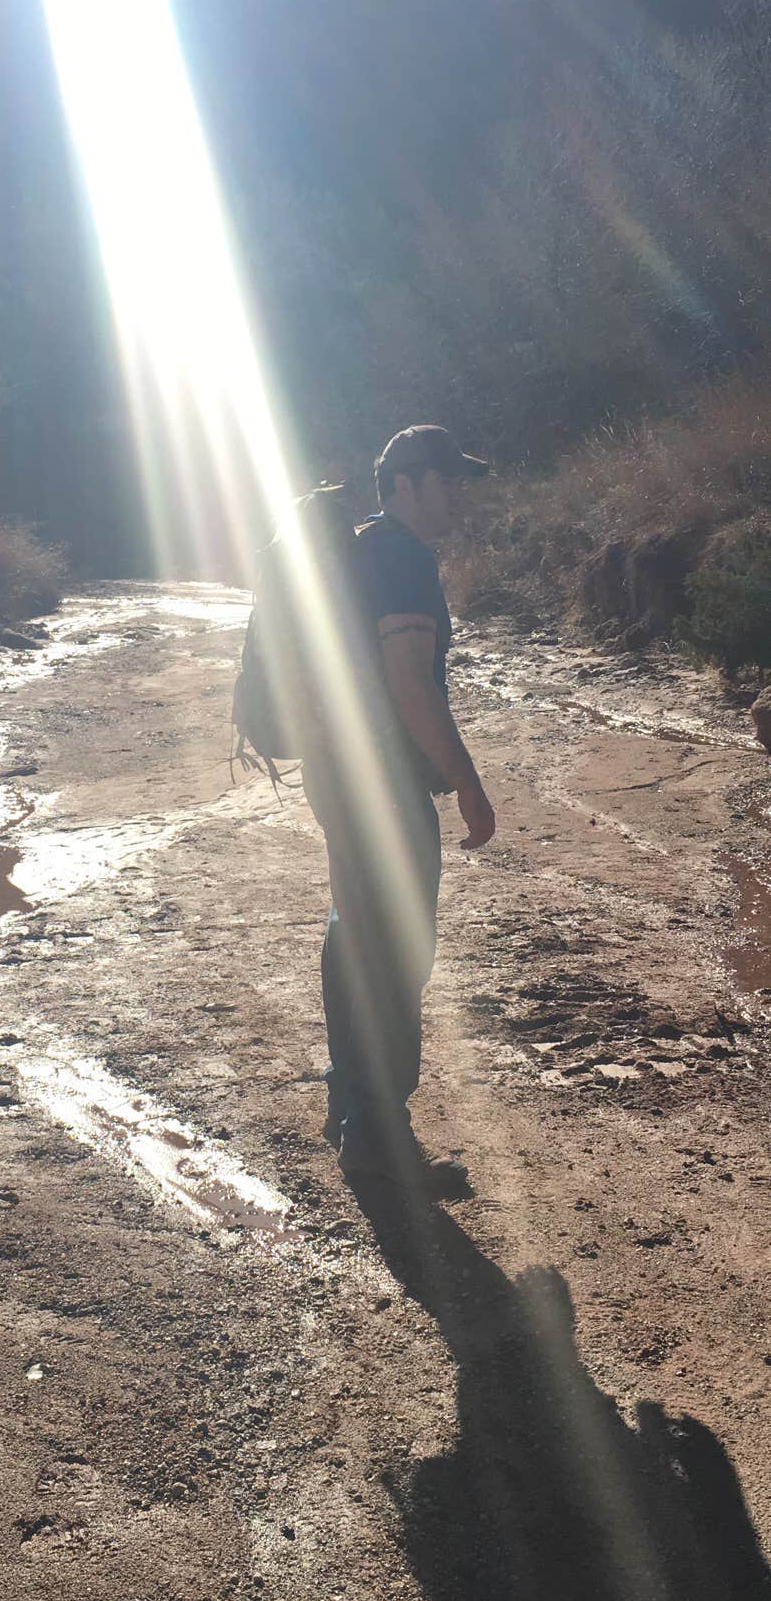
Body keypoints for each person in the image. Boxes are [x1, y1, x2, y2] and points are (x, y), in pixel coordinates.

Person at [301, 425, 496, 1183]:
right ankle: (380, 1137)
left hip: (339, 771)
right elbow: (410, 684)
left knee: (354, 928)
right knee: (399, 944)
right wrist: (469, 783)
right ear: (407, 482)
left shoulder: (360, 548)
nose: (460, 495)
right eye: (449, 480)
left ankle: (352, 1103)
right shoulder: (404, 558)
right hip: (380, 779)